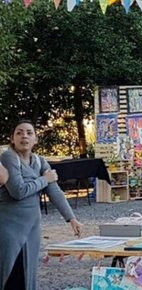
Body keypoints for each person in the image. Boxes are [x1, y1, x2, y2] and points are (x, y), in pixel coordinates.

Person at [1, 120, 83, 290]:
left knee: (27, 274)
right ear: (12, 139)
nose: (24, 136)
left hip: (32, 226)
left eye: (29, 133)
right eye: (19, 132)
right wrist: (44, 179)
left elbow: (54, 191)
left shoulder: (39, 161)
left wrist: (71, 218)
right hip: (9, 226)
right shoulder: (8, 157)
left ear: (36, 139)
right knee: (9, 273)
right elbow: (19, 191)